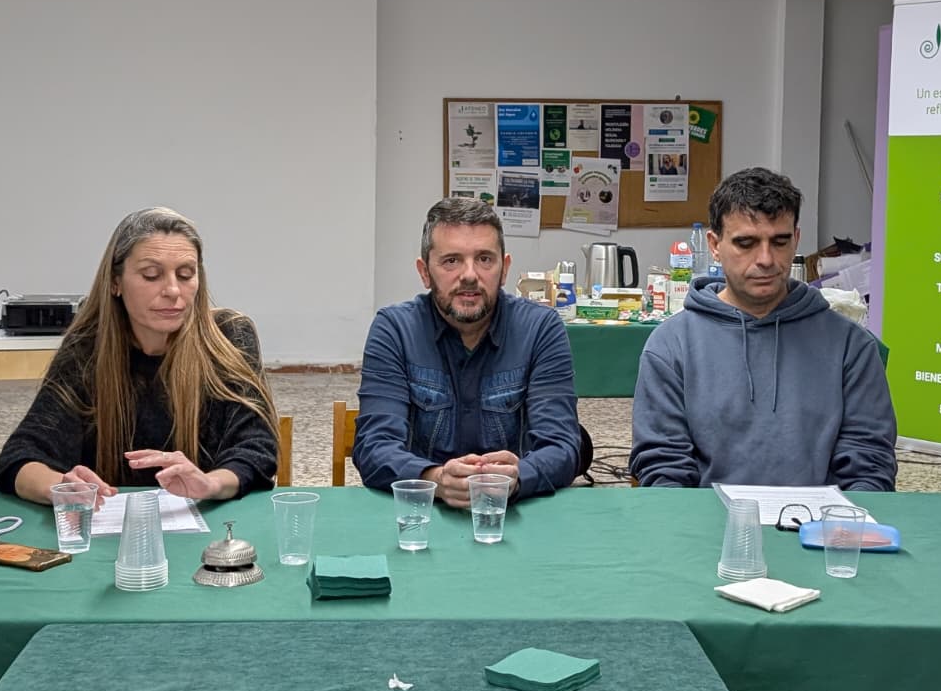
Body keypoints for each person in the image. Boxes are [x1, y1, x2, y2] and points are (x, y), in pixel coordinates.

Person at [630, 168, 896, 490]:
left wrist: (837, 533)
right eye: (746, 243)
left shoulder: (851, 346)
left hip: (818, 531)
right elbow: (663, 468)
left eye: (780, 241)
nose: (766, 259)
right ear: (715, 245)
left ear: (796, 239)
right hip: (705, 532)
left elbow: (868, 467)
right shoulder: (671, 347)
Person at [0, 208, 279, 505]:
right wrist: (59, 486)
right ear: (116, 282)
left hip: (211, 528)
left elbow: (256, 452)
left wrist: (209, 484)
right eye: (151, 275)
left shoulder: (229, 336)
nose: (172, 290)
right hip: (109, 531)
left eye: (186, 275)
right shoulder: (87, 348)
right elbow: (19, 459)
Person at [353, 197, 583, 507]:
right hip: (422, 515)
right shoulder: (394, 329)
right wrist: (435, 479)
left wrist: (517, 478)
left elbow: (563, 446)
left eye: (485, 259)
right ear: (424, 272)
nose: (470, 275)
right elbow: (373, 446)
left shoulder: (540, 328)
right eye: (452, 260)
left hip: (514, 514)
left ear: (505, 269)